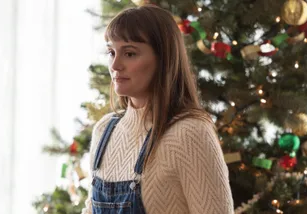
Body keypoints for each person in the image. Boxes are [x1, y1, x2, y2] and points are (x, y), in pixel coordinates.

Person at [82, 4, 234, 214]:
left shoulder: (190, 133)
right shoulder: (104, 130)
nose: (115, 65)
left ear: (163, 60)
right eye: (111, 52)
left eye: (130, 53)